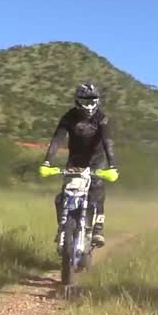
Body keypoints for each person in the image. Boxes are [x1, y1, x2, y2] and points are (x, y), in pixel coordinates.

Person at [39, 82, 118, 246]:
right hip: (75, 161)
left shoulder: (102, 119)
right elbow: (57, 140)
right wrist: (47, 162)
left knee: (97, 191)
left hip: (96, 161)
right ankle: (62, 227)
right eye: (85, 102)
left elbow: (107, 142)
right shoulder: (69, 117)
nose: (89, 106)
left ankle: (98, 230)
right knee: (63, 196)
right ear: (77, 101)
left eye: (92, 101)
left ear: (98, 101)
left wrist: (112, 166)